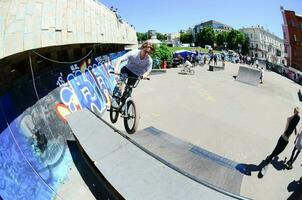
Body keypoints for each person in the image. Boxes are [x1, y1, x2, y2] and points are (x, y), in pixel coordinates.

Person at [258, 107, 300, 178]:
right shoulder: (290, 118)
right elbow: (288, 125)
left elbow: (294, 123)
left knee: (278, 150)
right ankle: (269, 159)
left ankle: (270, 157)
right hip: (284, 138)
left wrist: (295, 128)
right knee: (277, 151)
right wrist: (295, 116)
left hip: (284, 139)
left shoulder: (295, 119)